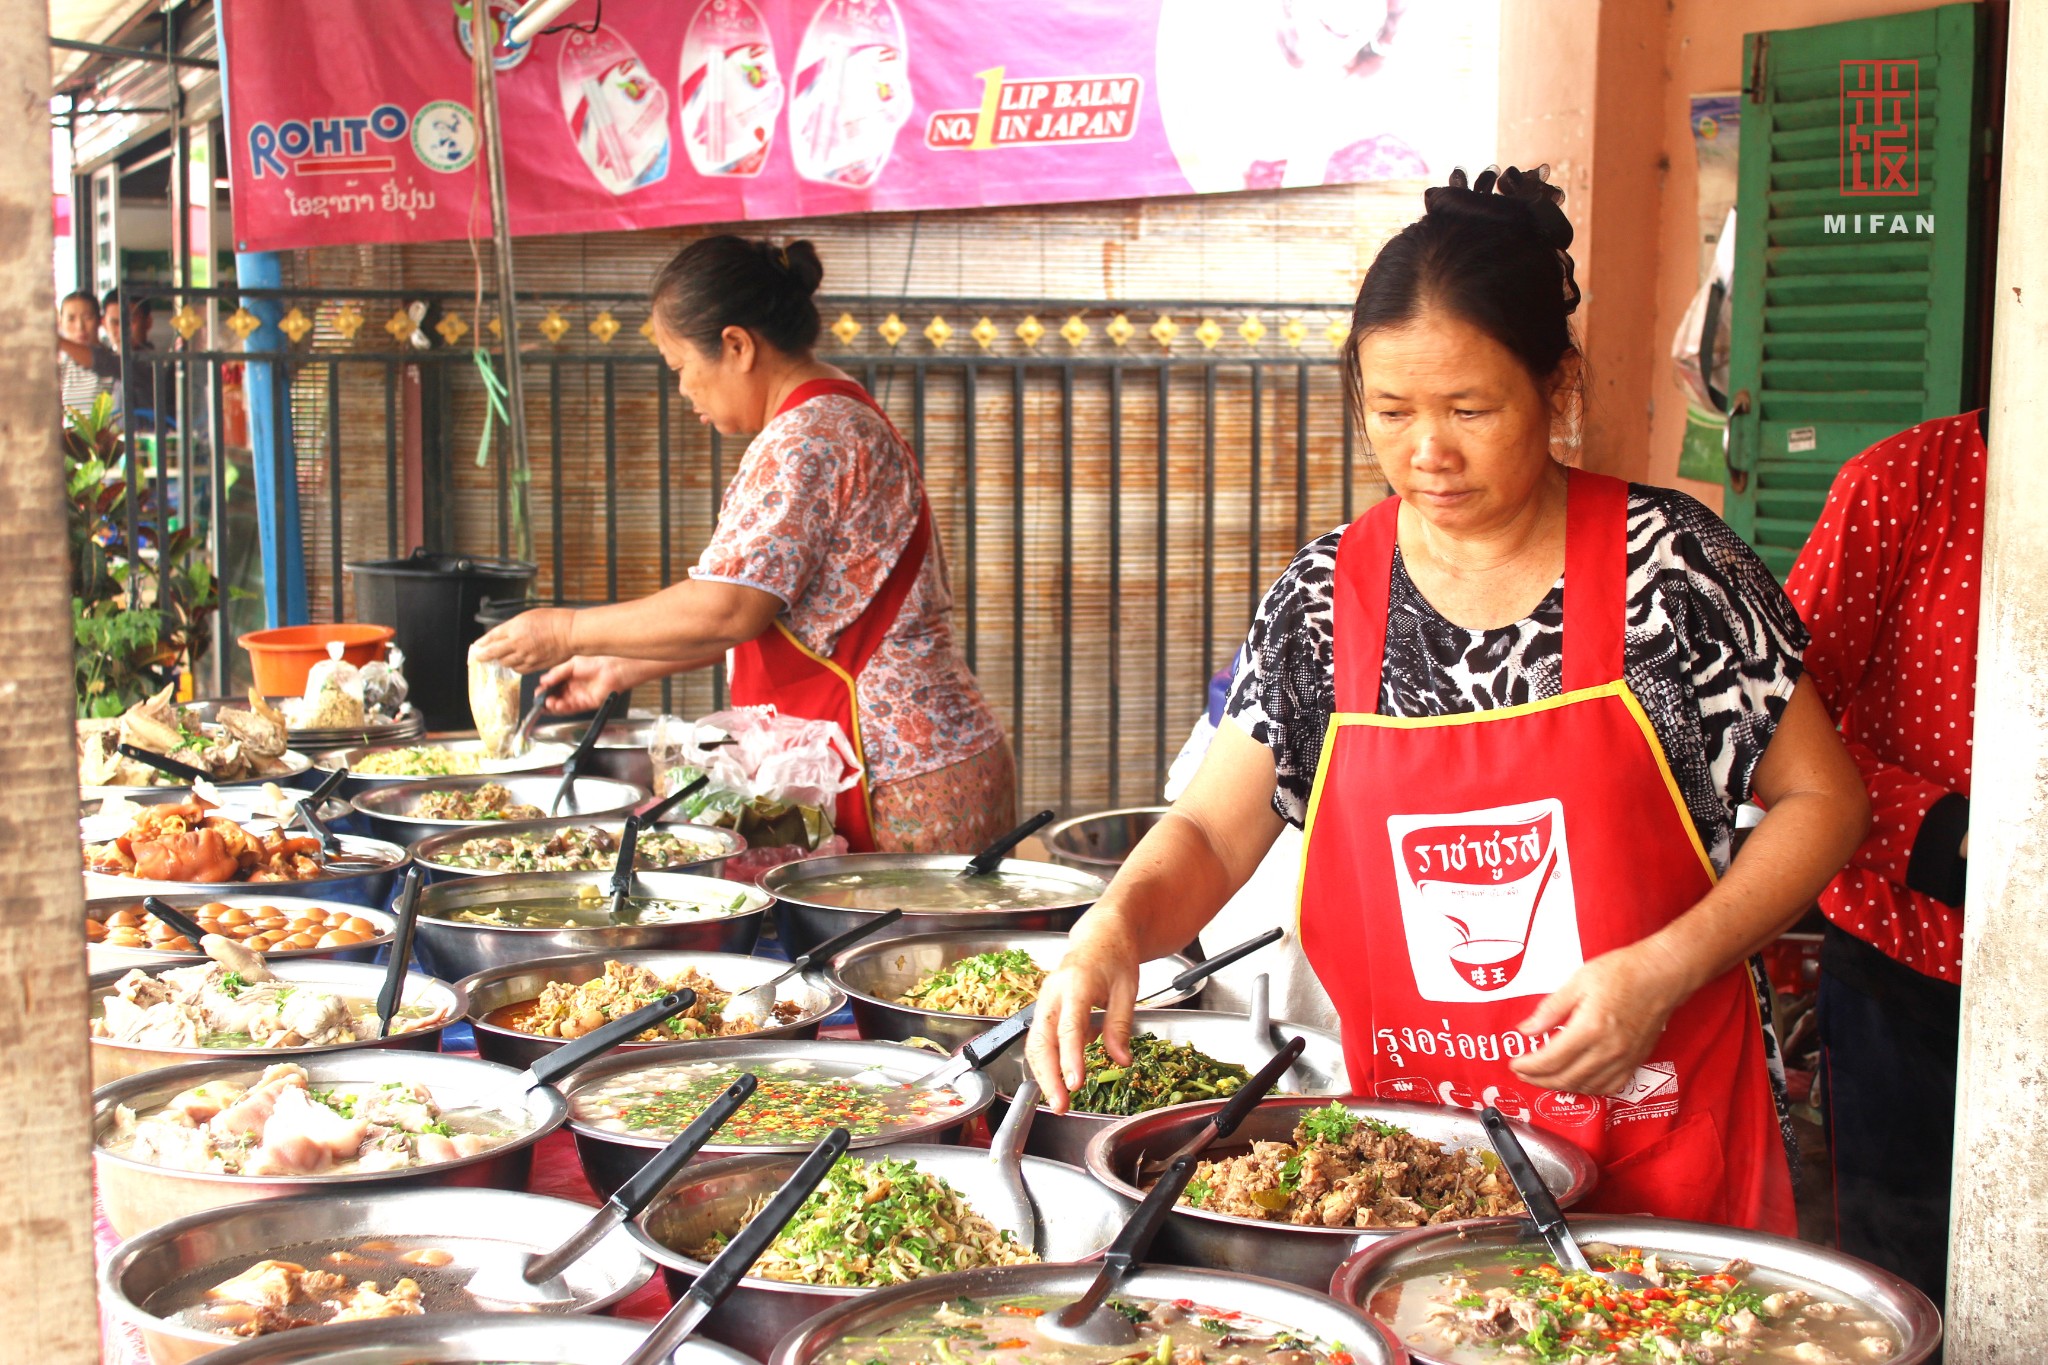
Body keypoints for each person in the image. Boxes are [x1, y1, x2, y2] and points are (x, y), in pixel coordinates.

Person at [1025, 166, 1871, 1234]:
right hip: (1416, 1165)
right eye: (1389, 410)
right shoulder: (1325, 601)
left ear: (1555, 388)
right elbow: (1207, 827)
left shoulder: (1672, 570)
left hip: (1656, 1137)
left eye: (1470, 408)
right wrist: (1113, 927)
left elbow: (1824, 803)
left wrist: (1668, 966)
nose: (1426, 452)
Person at [474, 235, 1014, 854]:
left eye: (680, 368)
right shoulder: (834, 417)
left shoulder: (806, 440)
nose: (683, 391)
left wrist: (565, 630)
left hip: (901, 779)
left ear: (736, 345)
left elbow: (728, 607)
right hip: (922, 765)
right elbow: (783, 610)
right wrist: (622, 665)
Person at [1783, 409, 1980, 1314]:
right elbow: (1776, 721)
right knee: (1906, 1288)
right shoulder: (1905, 483)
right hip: (1912, 968)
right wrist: (1944, 837)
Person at [57, 290, 120, 416]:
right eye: (71, 319)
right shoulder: (63, 369)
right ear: (61, 323)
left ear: (99, 321)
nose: (80, 326)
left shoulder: (112, 362)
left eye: (87, 318)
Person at [102, 289, 158, 418]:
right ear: (104, 324)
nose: (122, 330)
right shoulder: (106, 366)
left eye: (130, 321)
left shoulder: (151, 366)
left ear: (148, 322)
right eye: (115, 323)